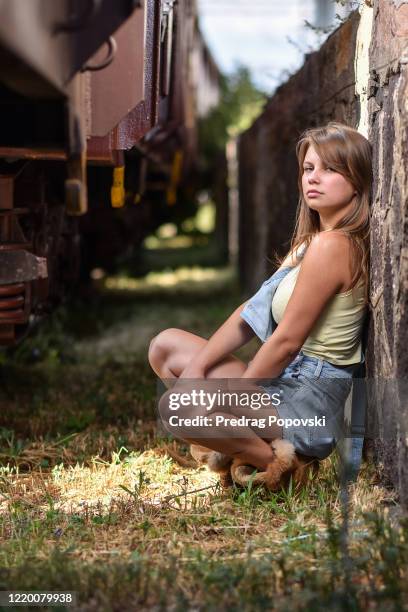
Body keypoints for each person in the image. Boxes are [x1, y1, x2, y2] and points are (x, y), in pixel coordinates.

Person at [148, 122, 372, 479]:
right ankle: (249, 450)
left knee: (179, 409)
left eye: (330, 169)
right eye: (308, 168)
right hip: (284, 382)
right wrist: (197, 369)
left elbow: (286, 342)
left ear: (357, 181)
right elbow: (250, 312)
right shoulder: (310, 243)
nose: (313, 178)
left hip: (307, 402)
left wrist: (235, 398)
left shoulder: (335, 246)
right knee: (165, 347)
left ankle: (279, 467)